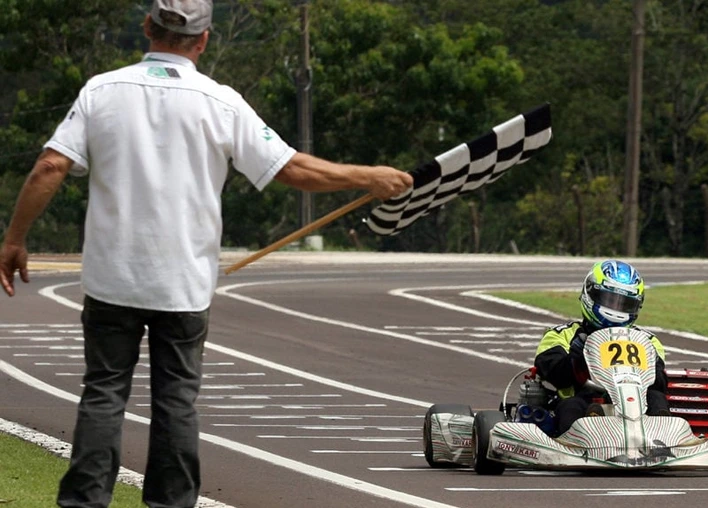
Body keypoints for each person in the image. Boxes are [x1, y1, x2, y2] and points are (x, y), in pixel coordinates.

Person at [0, 1, 413, 506]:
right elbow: (290, 167)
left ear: (148, 27)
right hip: (183, 284)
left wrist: (15, 239)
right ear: (204, 40)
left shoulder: (101, 90)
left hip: (111, 281)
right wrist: (367, 177)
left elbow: (49, 166)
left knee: (103, 395)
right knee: (176, 404)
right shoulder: (221, 102)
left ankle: (84, 502)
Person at [534, 259, 669, 437]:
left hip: (636, 406)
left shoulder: (648, 341)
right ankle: (579, 440)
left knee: (657, 399)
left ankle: (663, 438)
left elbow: (658, 383)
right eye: (609, 300)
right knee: (571, 406)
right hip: (583, 399)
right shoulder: (561, 335)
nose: (615, 308)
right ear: (590, 293)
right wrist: (576, 360)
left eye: (624, 303)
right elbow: (552, 372)